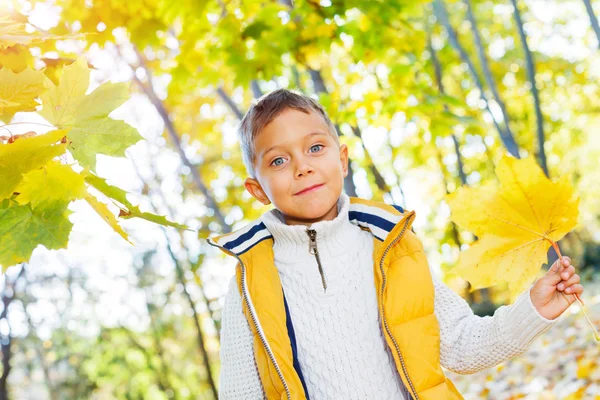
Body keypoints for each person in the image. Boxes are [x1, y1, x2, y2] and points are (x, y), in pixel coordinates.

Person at [206, 89, 583, 400]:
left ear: (342, 160)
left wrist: (533, 309)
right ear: (257, 189)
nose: (302, 167)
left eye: (315, 148)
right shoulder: (250, 282)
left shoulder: (389, 246)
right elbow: (240, 393)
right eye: (279, 160)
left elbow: (463, 346)